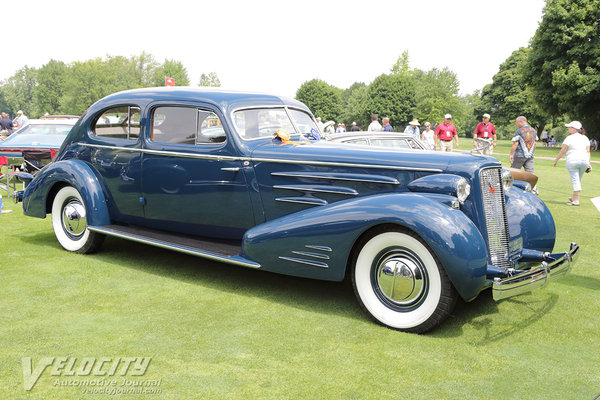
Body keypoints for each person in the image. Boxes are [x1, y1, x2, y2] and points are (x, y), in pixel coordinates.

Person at [552, 121, 591, 206]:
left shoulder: (569, 138)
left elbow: (563, 150)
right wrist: (589, 163)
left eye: (570, 127)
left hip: (573, 161)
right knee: (578, 180)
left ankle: (576, 201)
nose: (568, 128)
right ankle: (574, 198)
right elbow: (588, 151)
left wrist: (556, 160)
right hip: (584, 161)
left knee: (575, 180)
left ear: (575, 129)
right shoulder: (585, 138)